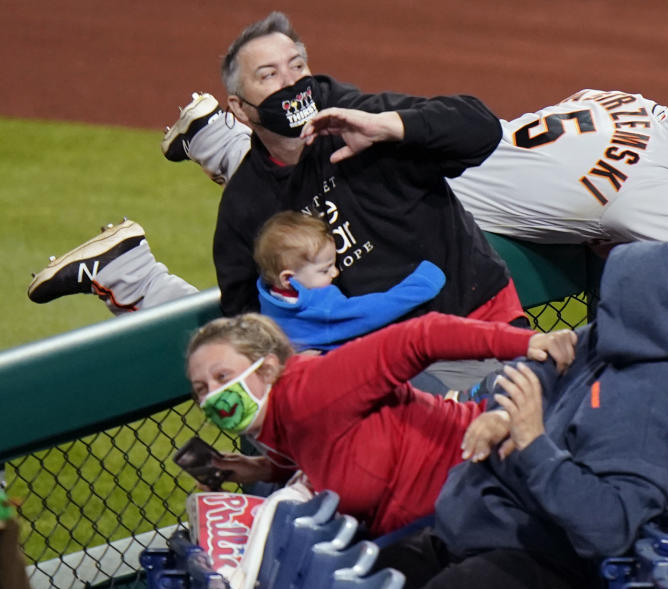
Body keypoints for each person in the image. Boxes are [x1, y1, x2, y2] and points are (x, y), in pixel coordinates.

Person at [27, 42, 668, 421]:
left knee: (306, 186)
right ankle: (137, 268)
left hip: (432, 170)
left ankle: (207, 151)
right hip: (431, 229)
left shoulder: (628, 103)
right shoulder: (663, 187)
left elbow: (587, 201)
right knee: (287, 351)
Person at [29, 11, 525, 393]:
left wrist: (394, 127)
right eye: (268, 75)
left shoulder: (365, 120)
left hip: (474, 333)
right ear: (240, 110)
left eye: (297, 66)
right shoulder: (245, 207)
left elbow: (481, 128)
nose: (290, 83)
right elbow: (251, 323)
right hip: (372, 376)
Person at [370, 240, 668, 589]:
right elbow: (551, 359)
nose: (601, 313)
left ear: (643, 311)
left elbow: (609, 528)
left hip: (570, 577)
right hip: (496, 529)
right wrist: (505, 413)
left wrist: (533, 442)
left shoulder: (663, 408)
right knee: (371, 581)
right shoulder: (635, 335)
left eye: (613, 303)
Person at [186, 312, 576, 537]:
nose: (212, 396)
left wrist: (525, 342)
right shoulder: (273, 420)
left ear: (267, 367)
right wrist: (257, 469)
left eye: (223, 377)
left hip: (486, 474)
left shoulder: (314, 389)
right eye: (201, 388)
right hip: (438, 517)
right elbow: (324, 450)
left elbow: (420, 336)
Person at [253, 210, 445, 352]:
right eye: (325, 269)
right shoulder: (320, 307)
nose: (335, 272)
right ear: (287, 278)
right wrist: (424, 282)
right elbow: (373, 311)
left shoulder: (270, 296)